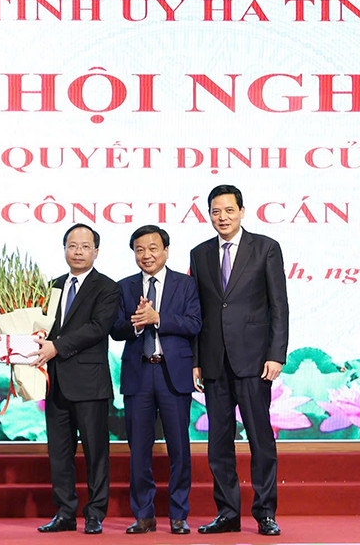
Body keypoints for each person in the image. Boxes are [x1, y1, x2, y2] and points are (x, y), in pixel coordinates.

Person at [189, 185, 288, 537]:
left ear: (242, 211)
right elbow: (198, 311)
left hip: (255, 361)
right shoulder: (199, 253)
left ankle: (265, 513)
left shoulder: (265, 248)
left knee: (261, 441)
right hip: (215, 362)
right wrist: (197, 360)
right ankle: (228, 513)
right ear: (209, 214)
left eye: (229, 210)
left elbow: (279, 305)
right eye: (216, 211)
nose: (223, 217)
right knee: (219, 443)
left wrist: (276, 354)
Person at [29, 223, 120, 535]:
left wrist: (56, 346)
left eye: (85, 247)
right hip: (55, 382)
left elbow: (98, 327)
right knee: (59, 453)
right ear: (64, 249)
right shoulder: (51, 286)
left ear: (96, 251)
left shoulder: (107, 287)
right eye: (72, 246)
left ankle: (95, 513)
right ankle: (65, 512)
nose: (78, 252)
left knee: (96, 454)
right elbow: (39, 325)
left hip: (90, 384)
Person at [110, 225, 201, 535]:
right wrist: (137, 324)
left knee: (179, 447)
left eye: (152, 248)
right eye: (139, 250)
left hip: (173, 374)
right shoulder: (124, 287)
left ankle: (178, 514)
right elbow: (115, 329)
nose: (146, 255)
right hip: (138, 374)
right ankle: (143, 515)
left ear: (166, 251)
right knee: (139, 448)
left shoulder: (186, 284)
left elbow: (194, 323)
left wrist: (158, 318)